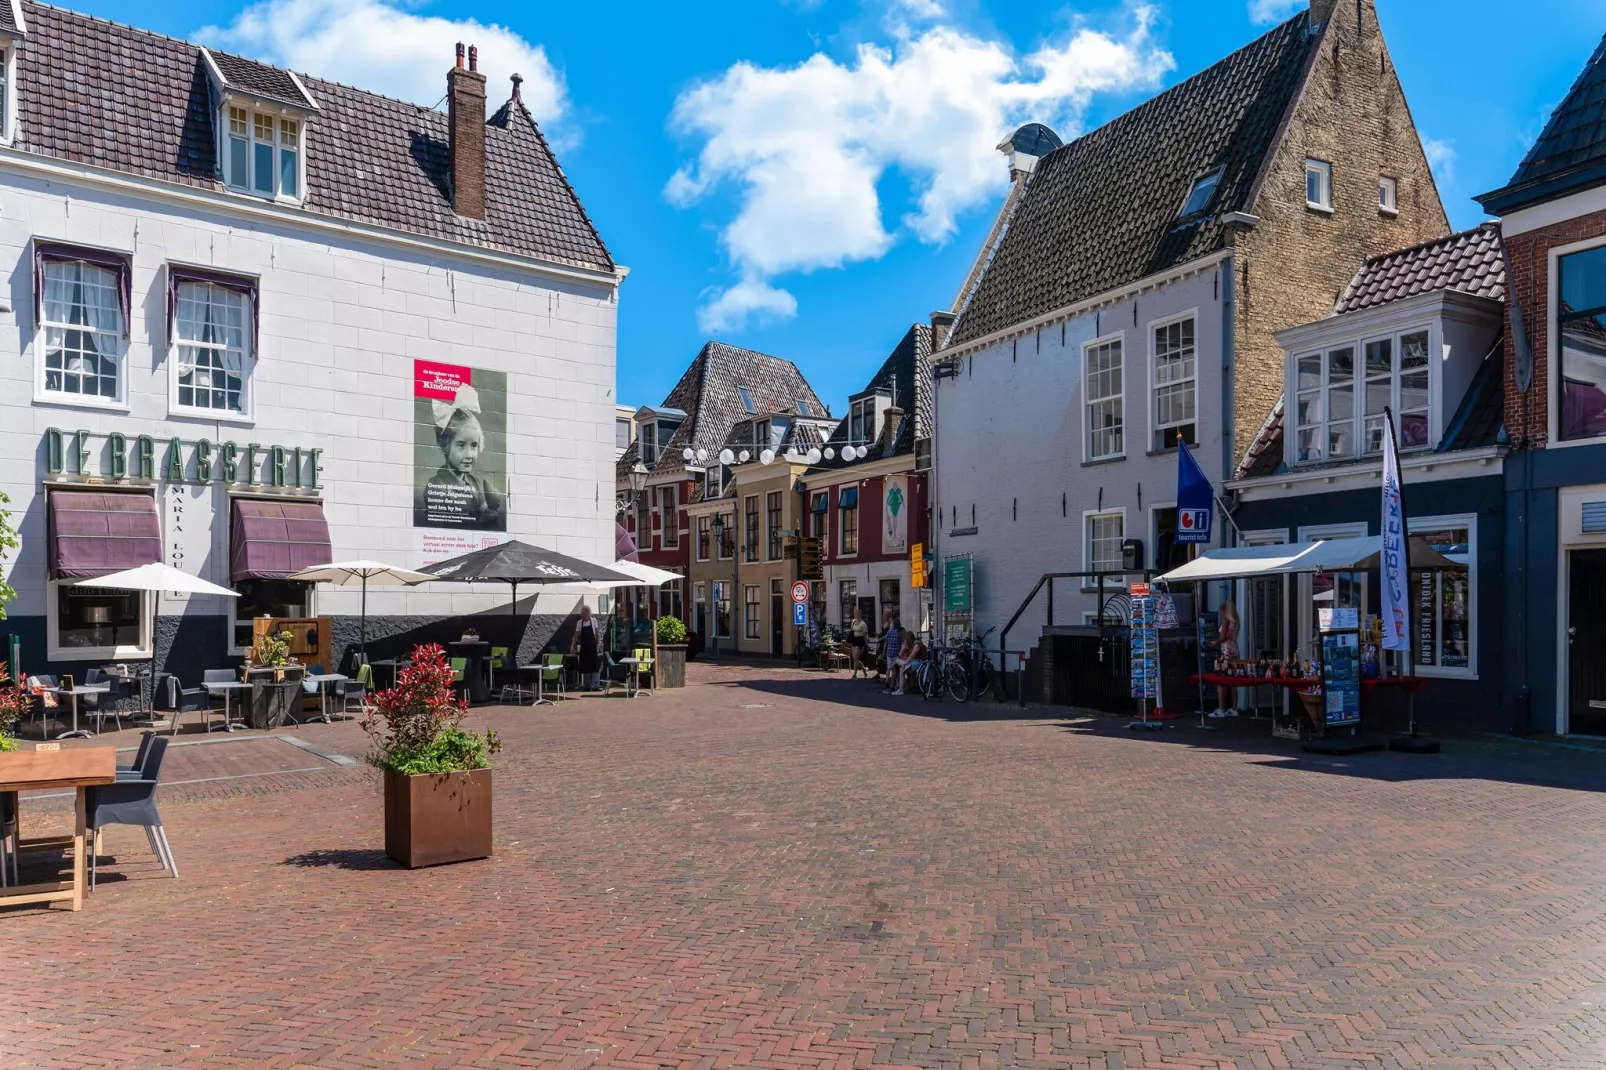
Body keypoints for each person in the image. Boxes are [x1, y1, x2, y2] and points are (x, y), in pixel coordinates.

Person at [419, 384, 505, 530]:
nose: (469, 454)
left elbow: (485, 512)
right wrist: (481, 522)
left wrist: (491, 511)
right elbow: (436, 530)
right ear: (444, 445)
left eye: (474, 445)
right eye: (461, 445)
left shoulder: (476, 484)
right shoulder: (437, 486)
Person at [1214, 598, 1241, 718]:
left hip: (1225, 652)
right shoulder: (1235, 620)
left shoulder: (1226, 620)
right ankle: (1235, 708)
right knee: (1233, 681)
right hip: (1235, 650)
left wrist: (1215, 642)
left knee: (1221, 679)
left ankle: (1221, 708)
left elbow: (1223, 637)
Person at [570, 604, 602, 691]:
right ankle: (587, 685)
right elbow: (576, 635)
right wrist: (572, 645)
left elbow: (597, 633)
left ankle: (596, 685)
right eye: (581, 613)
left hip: (592, 646)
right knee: (585, 666)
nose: (582, 615)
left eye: (583, 613)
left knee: (594, 666)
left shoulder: (594, 621)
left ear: (588, 613)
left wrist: (597, 645)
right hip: (584, 647)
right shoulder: (579, 623)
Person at [848, 606, 869, 678]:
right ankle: (864, 669)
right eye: (855, 613)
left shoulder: (863, 624)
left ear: (860, 614)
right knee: (855, 658)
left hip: (860, 641)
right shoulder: (853, 622)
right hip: (854, 640)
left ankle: (855, 674)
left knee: (856, 657)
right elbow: (851, 631)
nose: (856, 614)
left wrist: (866, 645)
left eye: (857, 613)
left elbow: (865, 636)